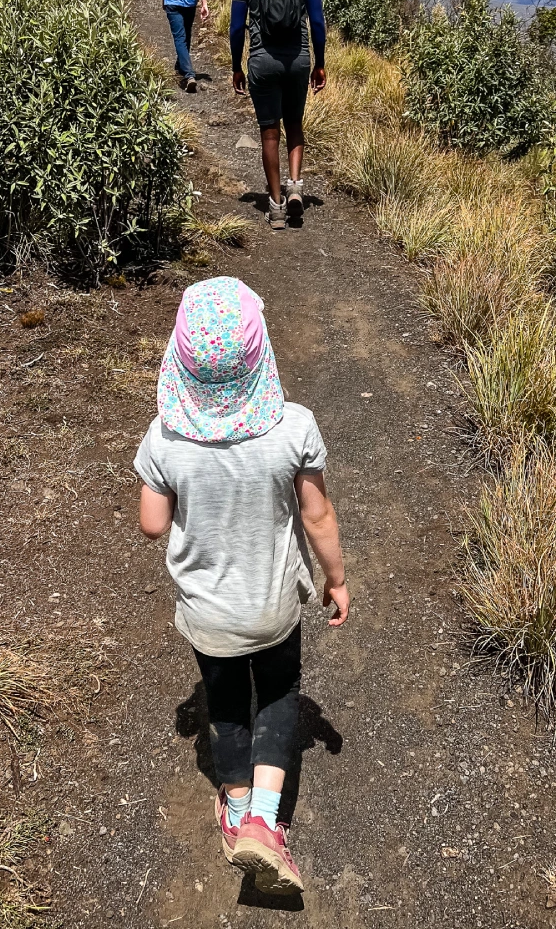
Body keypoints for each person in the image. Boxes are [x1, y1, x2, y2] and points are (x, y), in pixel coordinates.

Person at [133, 276, 349, 894]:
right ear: (262, 356)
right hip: (273, 607)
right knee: (279, 695)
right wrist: (336, 580)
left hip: (208, 616)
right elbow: (318, 517)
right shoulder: (293, 428)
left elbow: (152, 525)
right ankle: (265, 820)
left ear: (181, 361)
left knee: (225, 705)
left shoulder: (164, 438)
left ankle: (234, 808)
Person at [230, 0, 327, 231]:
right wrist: (320, 63)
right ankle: (296, 186)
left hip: (262, 59)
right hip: (298, 59)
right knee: (295, 124)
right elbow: (316, 22)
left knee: (270, 131)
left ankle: (275, 207)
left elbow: (235, 28)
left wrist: (236, 67)